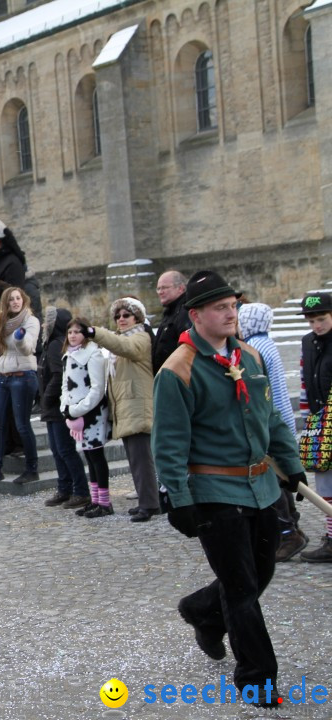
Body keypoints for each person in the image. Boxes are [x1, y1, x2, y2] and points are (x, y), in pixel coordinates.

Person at [154, 270, 305, 708]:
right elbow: (169, 444)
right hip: (213, 493)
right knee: (241, 589)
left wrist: (290, 467)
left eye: (233, 306)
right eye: (220, 308)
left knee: (260, 574)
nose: (230, 314)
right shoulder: (177, 370)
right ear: (196, 315)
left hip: (260, 486)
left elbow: (270, 417)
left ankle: (202, 611)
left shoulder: (250, 357)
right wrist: (179, 499)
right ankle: (256, 679)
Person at [238, 303, 308, 561]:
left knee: (271, 479)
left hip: (269, 423)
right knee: (280, 479)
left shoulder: (255, 350)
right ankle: (290, 527)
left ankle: (288, 531)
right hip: (278, 420)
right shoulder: (265, 344)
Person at [80, 298, 159, 522]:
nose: (121, 319)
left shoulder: (141, 337)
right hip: (127, 406)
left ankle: (149, 504)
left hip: (137, 405)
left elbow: (125, 348)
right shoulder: (124, 338)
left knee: (142, 458)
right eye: (117, 316)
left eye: (126, 315)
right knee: (135, 458)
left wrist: (97, 332)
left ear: (137, 317)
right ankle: (148, 500)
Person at [0, 286, 39, 487]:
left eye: (18, 298)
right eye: (12, 299)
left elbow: (29, 348)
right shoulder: (2, 322)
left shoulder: (30, 321)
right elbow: (0, 349)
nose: (16, 302)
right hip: (4, 376)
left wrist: (20, 338)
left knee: (22, 424)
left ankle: (32, 469)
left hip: (23, 376)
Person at [39, 309, 90, 508]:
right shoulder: (53, 343)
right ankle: (65, 488)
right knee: (57, 450)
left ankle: (80, 490)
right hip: (52, 406)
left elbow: (57, 375)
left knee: (65, 450)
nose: (43, 325)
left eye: (46, 321)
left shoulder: (55, 344)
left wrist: (47, 399)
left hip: (57, 405)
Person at [60, 317, 109, 515]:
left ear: (85, 334)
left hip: (92, 414)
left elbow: (97, 389)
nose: (73, 335)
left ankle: (104, 503)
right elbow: (65, 385)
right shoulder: (68, 355)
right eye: (70, 332)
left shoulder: (93, 355)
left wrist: (78, 410)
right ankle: (95, 499)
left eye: (77, 332)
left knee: (96, 456)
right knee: (88, 456)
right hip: (74, 414)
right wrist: (66, 408)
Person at [298, 291, 332, 562]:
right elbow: (304, 381)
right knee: (326, 486)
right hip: (321, 423)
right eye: (311, 321)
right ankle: (331, 538)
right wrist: (309, 420)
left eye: (321, 319)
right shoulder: (307, 343)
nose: (316, 326)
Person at [152, 270, 191, 374]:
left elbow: (188, 349)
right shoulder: (170, 312)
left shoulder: (185, 312)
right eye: (158, 288)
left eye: (164, 287)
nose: (160, 292)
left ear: (181, 288)